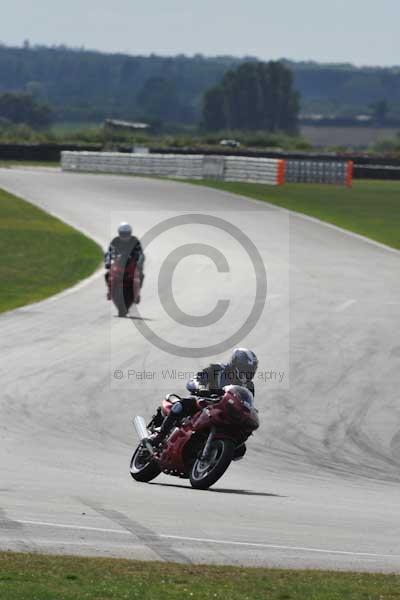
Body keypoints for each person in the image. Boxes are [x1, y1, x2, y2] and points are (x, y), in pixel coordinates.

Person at [150, 348, 258, 451]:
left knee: (240, 448)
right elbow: (196, 379)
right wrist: (200, 388)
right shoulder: (217, 369)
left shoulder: (249, 386)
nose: (247, 373)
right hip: (205, 401)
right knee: (180, 406)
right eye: (245, 369)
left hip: (226, 412)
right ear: (235, 364)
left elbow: (248, 403)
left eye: (250, 370)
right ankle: (159, 437)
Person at [104, 222, 145, 298]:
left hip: (131, 263)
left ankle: (137, 293)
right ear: (119, 232)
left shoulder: (135, 241)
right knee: (107, 275)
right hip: (118, 263)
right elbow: (109, 253)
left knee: (141, 275)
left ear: (130, 233)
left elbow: (140, 253)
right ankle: (110, 291)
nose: (125, 235)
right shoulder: (115, 241)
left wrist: (139, 263)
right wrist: (108, 262)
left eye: (126, 233)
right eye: (123, 233)